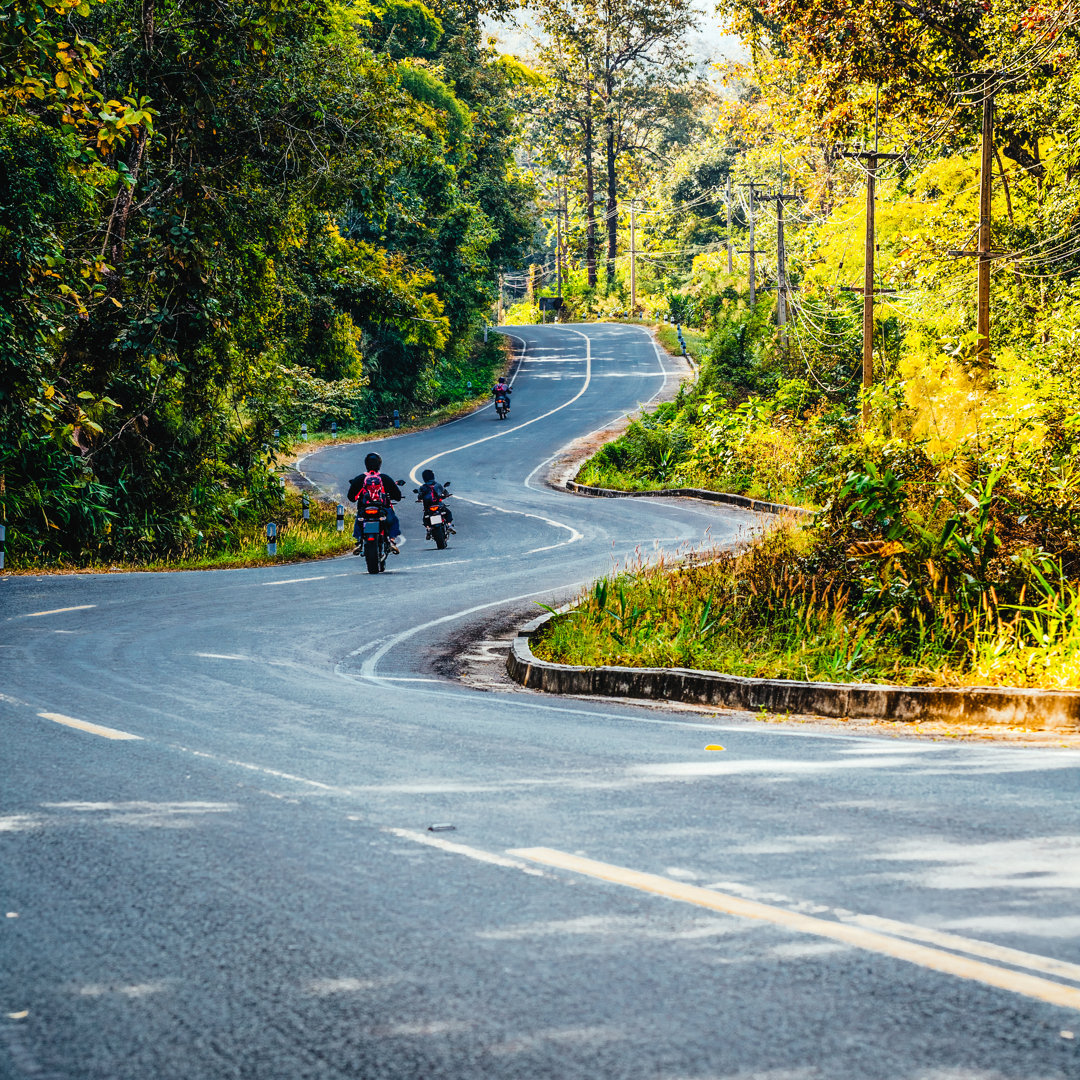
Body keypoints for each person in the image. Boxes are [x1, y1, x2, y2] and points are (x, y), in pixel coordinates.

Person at [348, 451, 404, 554]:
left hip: (364, 510)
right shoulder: (385, 478)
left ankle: (359, 542)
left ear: (366, 464)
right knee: (393, 521)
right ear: (379, 464)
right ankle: (391, 541)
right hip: (383, 509)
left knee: (359, 520)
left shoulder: (360, 479)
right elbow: (398, 496)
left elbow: (351, 497)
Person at [417, 468, 455, 533]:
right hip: (439, 505)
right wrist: (447, 495)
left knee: (425, 518)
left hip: (428, 507)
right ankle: (449, 525)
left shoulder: (422, 487)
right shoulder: (438, 485)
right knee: (448, 513)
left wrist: (420, 499)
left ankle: (428, 528)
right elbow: (444, 492)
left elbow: (420, 496)